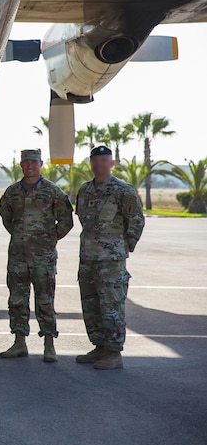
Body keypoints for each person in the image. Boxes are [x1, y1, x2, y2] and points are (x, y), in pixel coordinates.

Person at [0, 149, 74, 362]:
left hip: (43, 257)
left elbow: (66, 221)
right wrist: (20, 237)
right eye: (25, 162)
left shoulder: (53, 192)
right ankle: (19, 342)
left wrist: (49, 240)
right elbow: (7, 218)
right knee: (17, 299)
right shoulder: (12, 192)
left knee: (45, 299)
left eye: (33, 162)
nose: (29, 166)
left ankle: (49, 344)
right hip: (18, 256)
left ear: (41, 163)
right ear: (21, 165)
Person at [75, 145, 145, 370]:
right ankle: (100, 346)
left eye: (104, 160)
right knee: (91, 305)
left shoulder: (122, 190)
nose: (99, 164)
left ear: (111, 163)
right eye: (96, 160)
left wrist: (122, 248)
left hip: (111, 262)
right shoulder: (85, 190)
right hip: (87, 259)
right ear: (91, 163)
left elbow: (136, 220)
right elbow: (84, 220)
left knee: (111, 306)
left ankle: (114, 352)